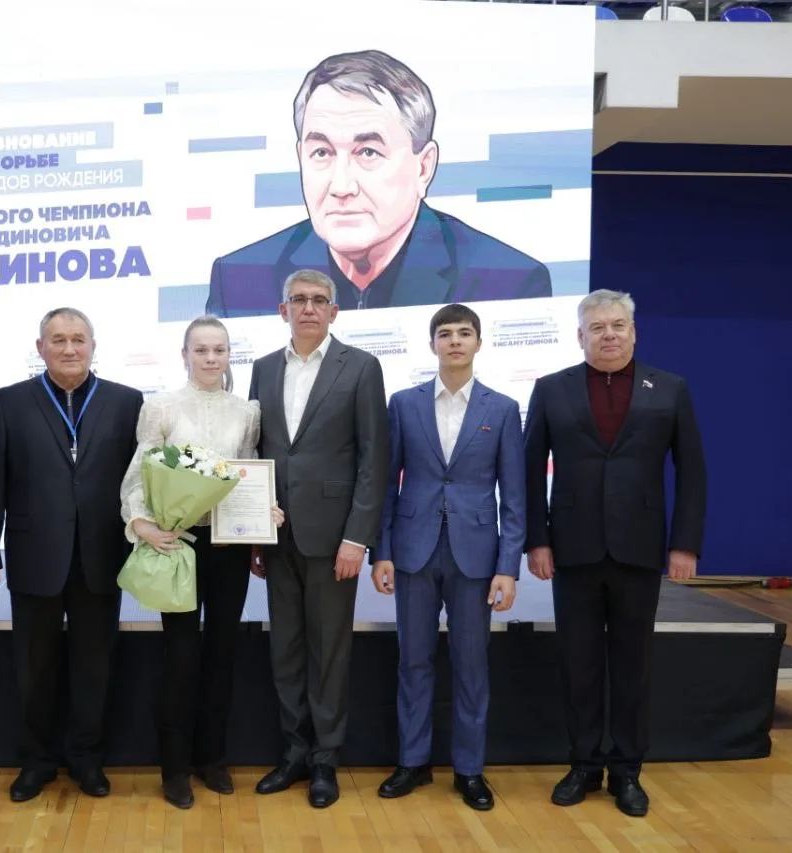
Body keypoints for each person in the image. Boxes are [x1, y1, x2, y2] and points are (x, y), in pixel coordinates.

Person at [523, 289, 706, 818]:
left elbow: (692, 472)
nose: (608, 335)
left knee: (633, 666)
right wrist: (537, 539)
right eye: (597, 327)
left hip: (639, 549)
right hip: (571, 549)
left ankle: (627, 771)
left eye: (617, 326)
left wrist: (684, 544)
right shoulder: (551, 388)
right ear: (580, 336)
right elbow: (529, 471)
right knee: (578, 666)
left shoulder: (669, 389)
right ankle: (583, 764)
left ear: (633, 332)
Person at [205, 49, 551, 319]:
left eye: (368, 152)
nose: (341, 186)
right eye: (322, 152)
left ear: (424, 167)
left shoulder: (506, 282)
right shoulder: (240, 280)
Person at [0, 307, 143, 803]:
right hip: (35, 553)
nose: (69, 348)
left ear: (93, 346)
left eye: (78, 339)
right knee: (34, 667)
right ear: (40, 347)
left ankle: (87, 759)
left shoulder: (127, 402)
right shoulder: (9, 402)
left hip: (101, 554)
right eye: (58, 340)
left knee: (95, 666)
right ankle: (37, 761)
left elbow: (140, 480)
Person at [120, 315, 284, 809]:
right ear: (185, 354)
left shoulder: (247, 412)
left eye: (219, 350)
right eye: (201, 350)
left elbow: (248, 474)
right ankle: (174, 768)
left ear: (229, 354)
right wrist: (141, 523)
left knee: (222, 654)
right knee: (181, 657)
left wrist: (264, 513)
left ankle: (211, 759)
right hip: (180, 544)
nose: (211, 358)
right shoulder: (161, 407)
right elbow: (140, 475)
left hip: (230, 547)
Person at [370, 303, 524, 810]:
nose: (455, 340)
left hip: (475, 558)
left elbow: (514, 496)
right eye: (445, 333)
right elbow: (386, 484)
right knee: (413, 661)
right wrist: (382, 552)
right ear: (432, 343)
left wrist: (508, 567)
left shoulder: (503, 409)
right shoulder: (403, 404)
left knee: (471, 665)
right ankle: (412, 762)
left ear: (478, 342)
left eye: (464, 333)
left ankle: (469, 769)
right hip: (412, 551)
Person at [248, 268, 390, 808]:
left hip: (334, 539)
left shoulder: (362, 367)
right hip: (276, 536)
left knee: (328, 650)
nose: (308, 308)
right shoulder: (263, 368)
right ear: (283, 310)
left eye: (319, 300)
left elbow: (374, 458)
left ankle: (325, 759)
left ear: (334, 311)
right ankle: (294, 753)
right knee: (285, 649)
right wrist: (253, 530)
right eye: (299, 299)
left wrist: (358, 537)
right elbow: (257, 452)